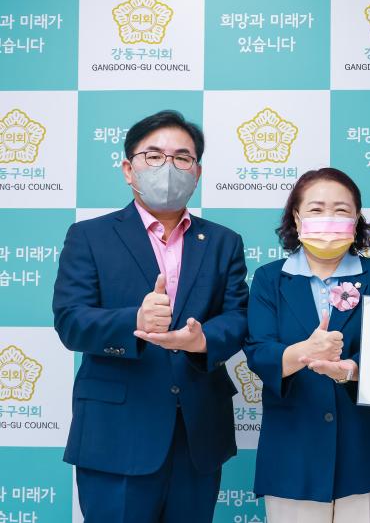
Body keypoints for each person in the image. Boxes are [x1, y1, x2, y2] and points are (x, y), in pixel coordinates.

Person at [52, 110, 249, 522]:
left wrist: (203, 340)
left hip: (198, 434)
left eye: (182, 158)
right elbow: (70, 321)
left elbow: (238, 317)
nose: (168, 167)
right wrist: (134, 322)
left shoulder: (223, 242)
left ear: (197, 173)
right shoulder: (89, 236)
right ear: (129, 169)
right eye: (154, 156)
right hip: (116, 434)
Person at [244, 167, 370, 523]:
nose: (329, 218)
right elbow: (259, 352)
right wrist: (304, 352)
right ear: (296, 216)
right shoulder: (269, 279)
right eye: (317, 209)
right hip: (293, 451)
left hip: (365, 449)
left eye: (341, 210)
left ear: (356, 218)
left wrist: (351, 370)